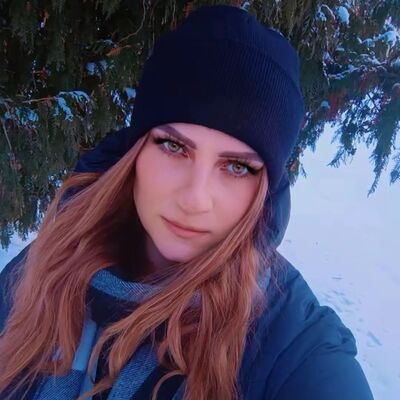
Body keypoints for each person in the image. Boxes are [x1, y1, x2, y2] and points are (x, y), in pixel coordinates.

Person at [0, 4, 374, 400]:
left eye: (237, 167)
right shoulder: (49, 265)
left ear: (265, 189)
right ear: (136, 152)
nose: (195, 199)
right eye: (173, 147)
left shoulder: (293, 346)